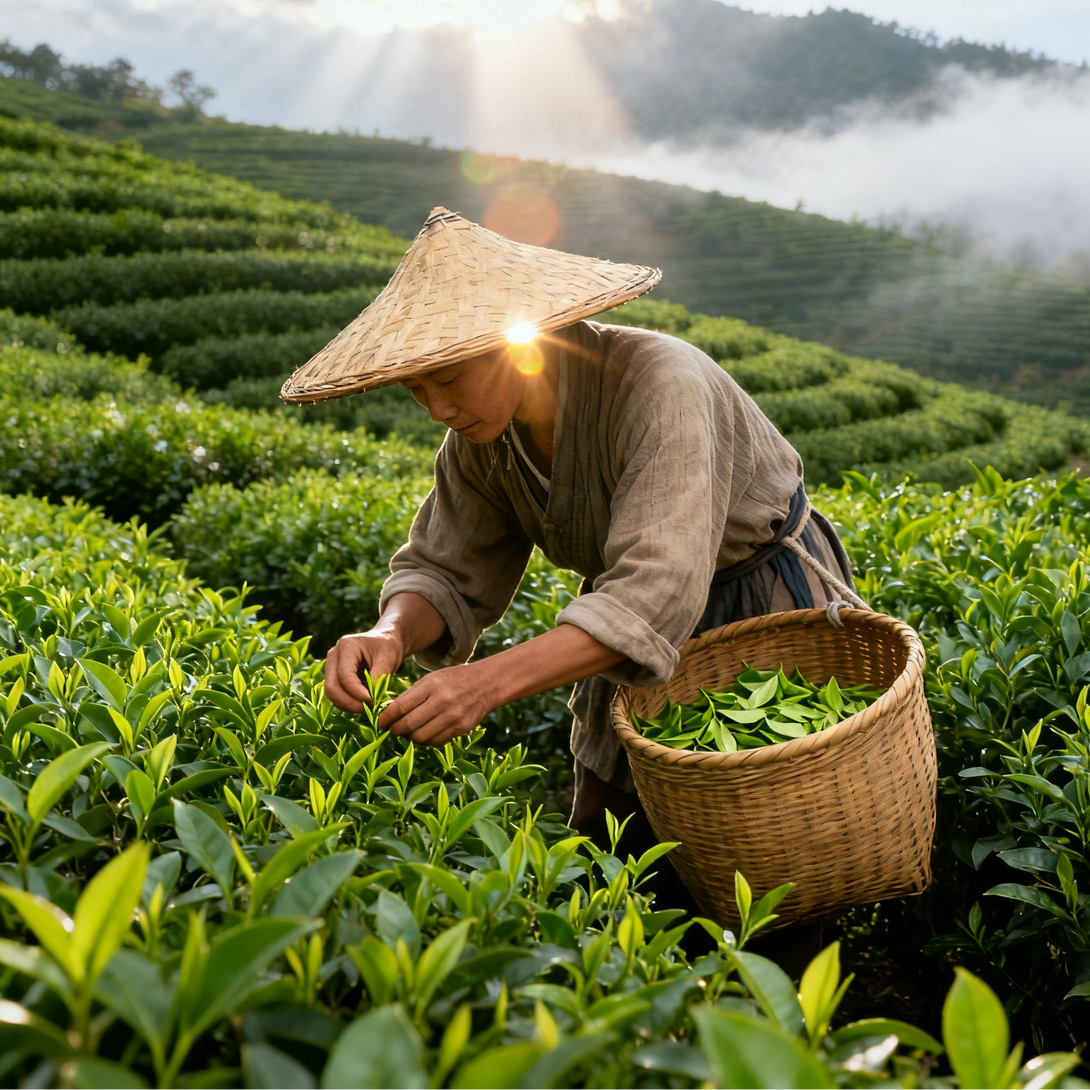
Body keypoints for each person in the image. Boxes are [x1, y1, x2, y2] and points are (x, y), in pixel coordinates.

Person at [282, 206, 859, 858]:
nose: (439, 408)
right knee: (611, 838)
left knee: (758, 846)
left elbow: (655, 591)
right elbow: (445, 568)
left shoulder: (660, 383)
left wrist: (484, 683)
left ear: (520, 345)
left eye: (449, 378)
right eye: (418, 388)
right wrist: (388, 633)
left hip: (759, 612)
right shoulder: (481, 437)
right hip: (614, 633)